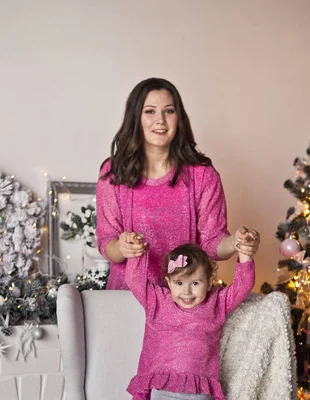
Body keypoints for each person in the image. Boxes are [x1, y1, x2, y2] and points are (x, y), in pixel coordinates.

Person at [96, 77, 260, 289]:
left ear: (179, 118)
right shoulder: (113, 172)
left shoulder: (203, 175)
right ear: (135, 117)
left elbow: (211, 243)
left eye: (169, 111)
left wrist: (237, 243)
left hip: (184, 303)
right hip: (128, 300)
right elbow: (106, 242)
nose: (161, 120)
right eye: (150, 111)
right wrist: (122, 247)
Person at [125, 237, 255, 400]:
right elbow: (135, 282)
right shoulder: (157, 301)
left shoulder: (216, 304)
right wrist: (137, 255)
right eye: (179, 283)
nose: (187, 292)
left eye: (195, 283)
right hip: (162, 390)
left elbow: (242, 286)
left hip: (195, 394)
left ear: (208, 283)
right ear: (169, 282)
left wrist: (244, 255)